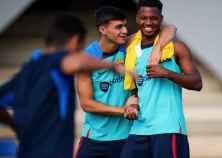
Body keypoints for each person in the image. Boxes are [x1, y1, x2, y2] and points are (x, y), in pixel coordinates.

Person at [0, 13, 125, 158]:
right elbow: (74, 62)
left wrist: (15, 125)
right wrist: (112, 66)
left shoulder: (26, 71)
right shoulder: (57, 62)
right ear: (74, 41)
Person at [75, 6, 177, 158]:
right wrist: (123, 110)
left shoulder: (128, 45)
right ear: (103, 29)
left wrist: (157, 48)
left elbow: (170, 28)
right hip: (94, 139)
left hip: (127, 139)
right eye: (118, 27)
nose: (124, 31)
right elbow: (86, 104)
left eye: (125, 26)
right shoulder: (87, 58)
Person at [121, 0, 202, 158]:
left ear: (161, 19)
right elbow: (138, 85)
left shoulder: (176, 47)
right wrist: (133, 100)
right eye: (144, 18)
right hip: (139, 127)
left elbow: (197, 83)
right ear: (137, 18)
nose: (148, 22)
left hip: (168, 127)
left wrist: (167, 73)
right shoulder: (130, 47)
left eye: (154, 18)